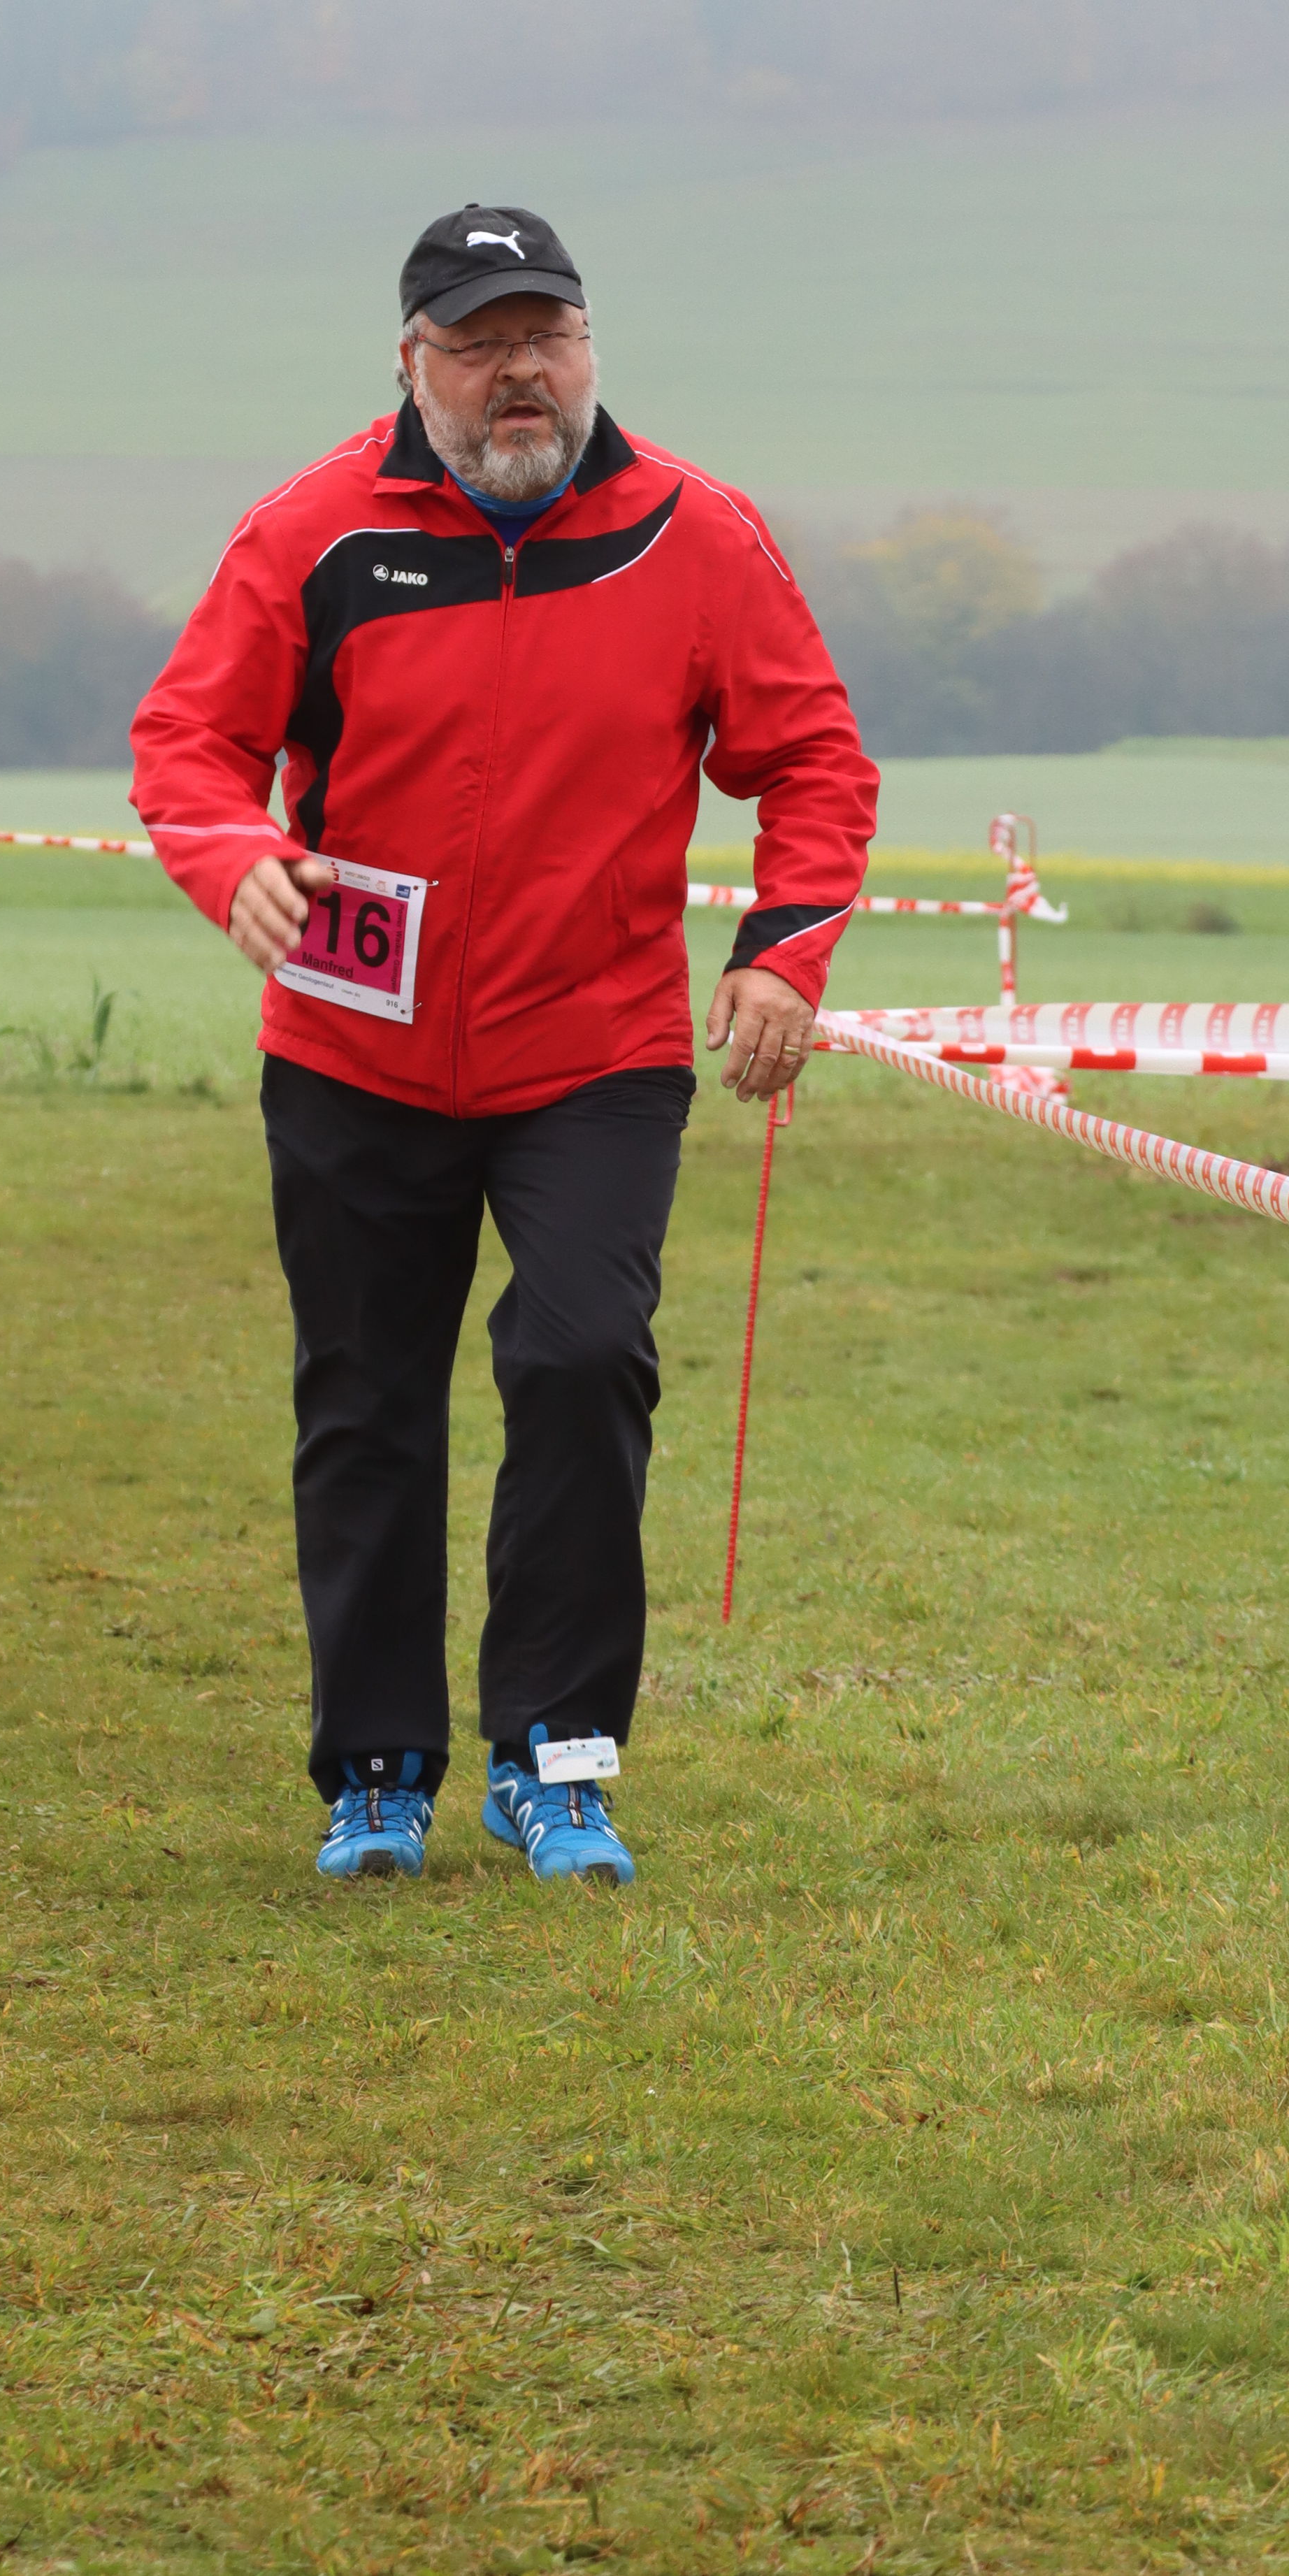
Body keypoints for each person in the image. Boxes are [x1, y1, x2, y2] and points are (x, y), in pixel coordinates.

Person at [129, 201, 879, 1887]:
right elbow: (188, 739)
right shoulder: (316, 532)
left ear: (591, 348)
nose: (520, 371)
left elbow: (815, 760)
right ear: (414, 364)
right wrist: (234, 858)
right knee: (367, 1400)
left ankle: (558, 1757)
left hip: (594, 1046)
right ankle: (376, 1771)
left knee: (583, 1357)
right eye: (480, 344)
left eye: (548, 335)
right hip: (354, 1044)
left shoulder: (695, 534)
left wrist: (783, 955)